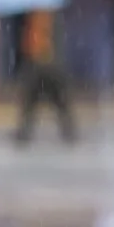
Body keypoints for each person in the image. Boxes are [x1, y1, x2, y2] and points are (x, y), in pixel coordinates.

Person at [14, 10, 76, 145]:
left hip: (48, 68)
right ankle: (24, 131)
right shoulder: (36, 20)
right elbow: (30, 46)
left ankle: (68, 130)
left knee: (58, 102)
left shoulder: (49, 20)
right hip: (41, 68)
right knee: (32, 103)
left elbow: (41, 45)